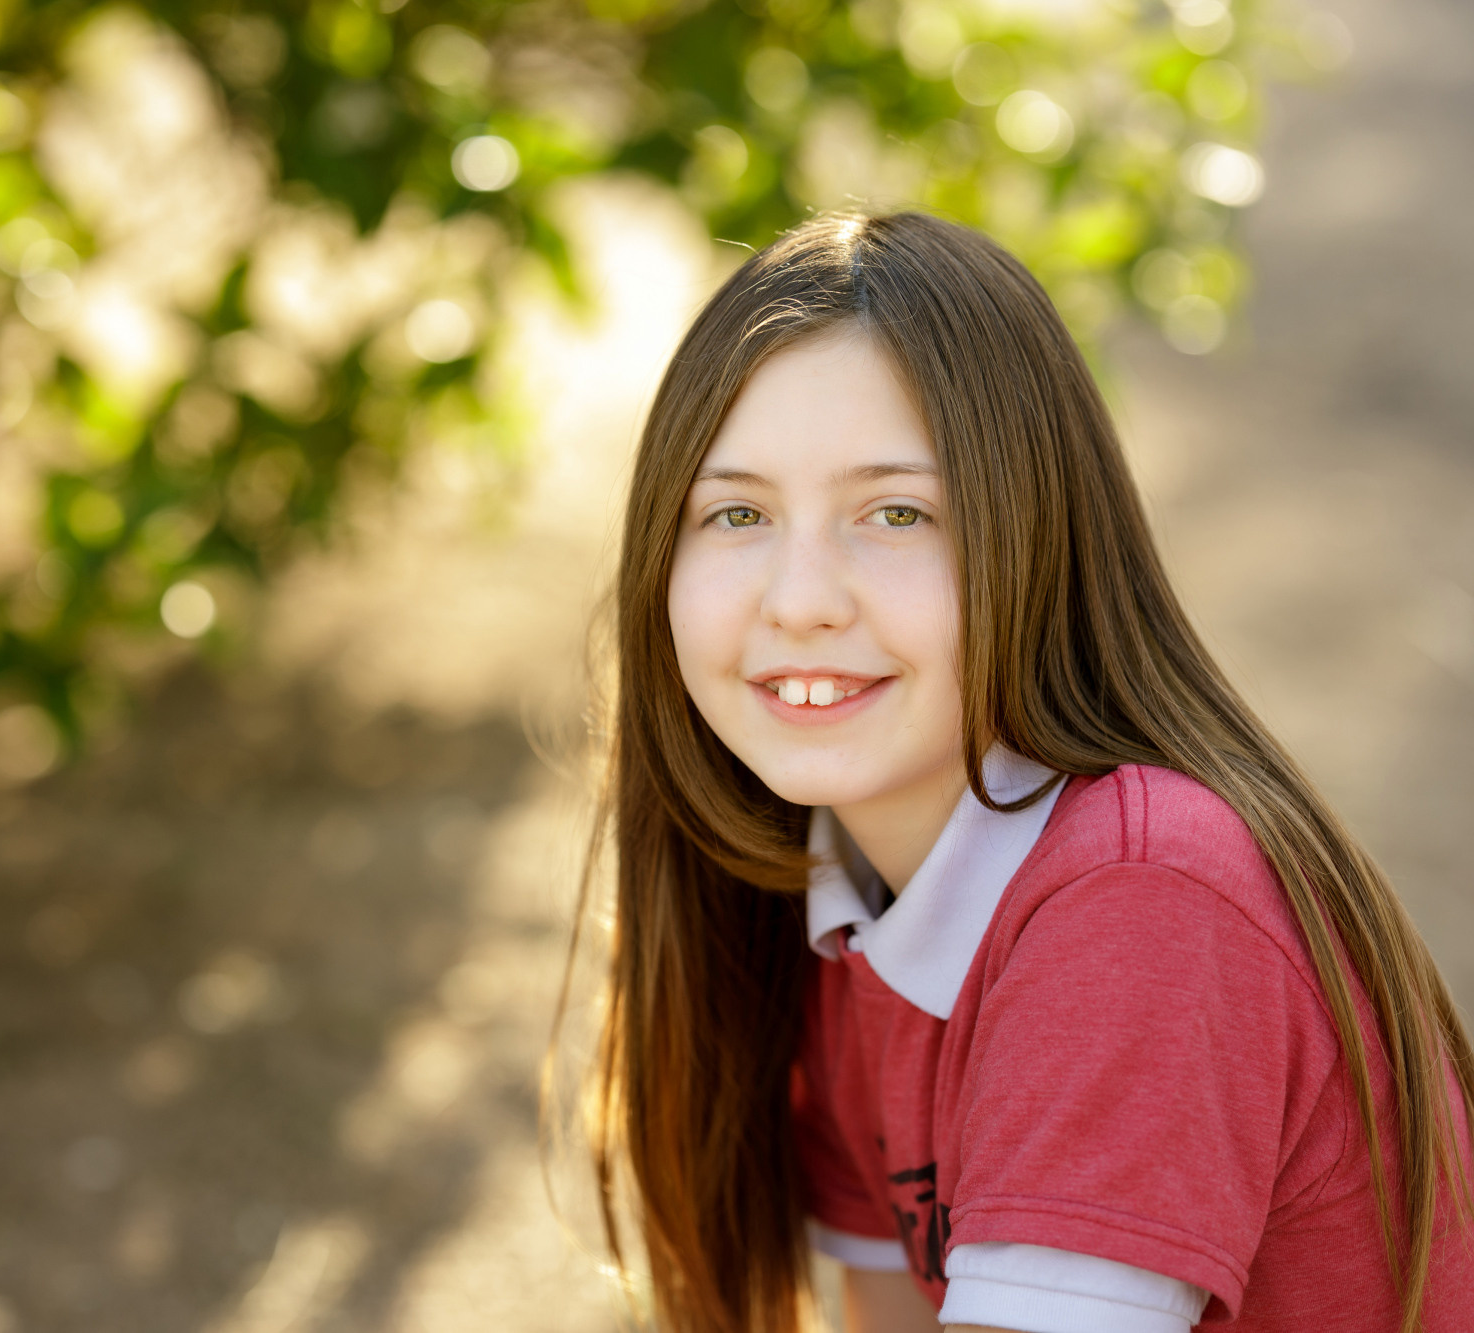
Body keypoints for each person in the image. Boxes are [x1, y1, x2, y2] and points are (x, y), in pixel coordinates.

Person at [566, 211, 1474, 1333]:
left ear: (1031, 535)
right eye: (736, 512)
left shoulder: (1142, 901)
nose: (798, 598)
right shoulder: (848, 895)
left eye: (895, 513)